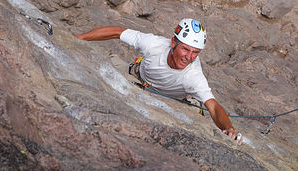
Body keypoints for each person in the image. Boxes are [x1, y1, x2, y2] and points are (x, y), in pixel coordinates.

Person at [75, 18, 242, 144]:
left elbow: (213, 106)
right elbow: (118, 32)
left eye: (195, 52)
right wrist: (77, 38)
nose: (188, 57)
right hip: (136, 76)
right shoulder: (153, 44)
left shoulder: (194, 76)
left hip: (174, 100)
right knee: (101, 66)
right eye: (185, 48)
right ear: (173, 43)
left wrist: (228, 128)